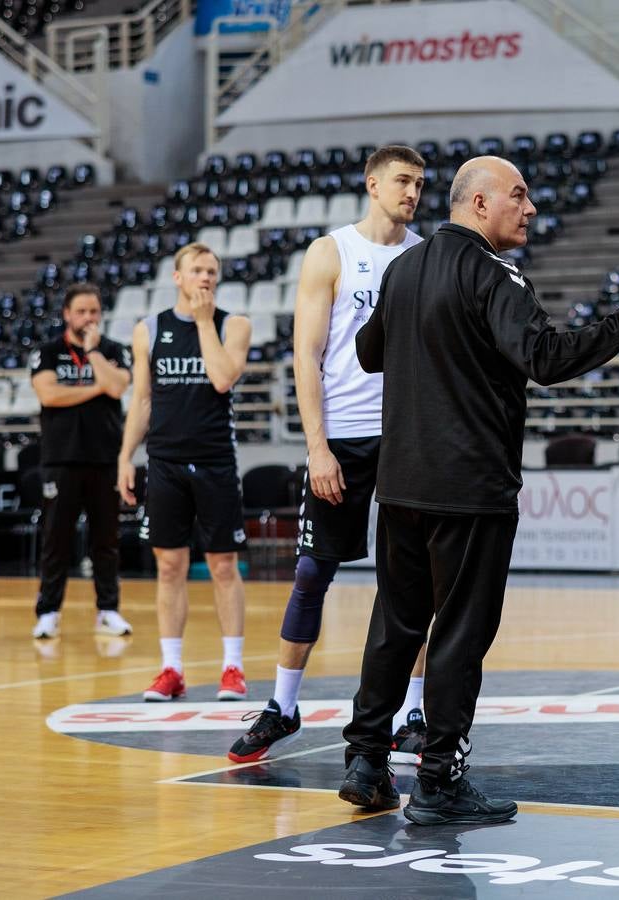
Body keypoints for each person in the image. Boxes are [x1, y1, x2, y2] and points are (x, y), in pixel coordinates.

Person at [337, 155, 619, 825]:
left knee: (394, 628)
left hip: (400, 483)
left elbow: (370, 352)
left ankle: (367, 763)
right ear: (479, 203)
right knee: (459, 636)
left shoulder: (403, 269)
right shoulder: (494, 275)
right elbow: (544, 358)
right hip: (469, 489)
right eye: (518, 195)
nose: (530, 208)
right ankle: (438, 782)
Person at [227, 145, 432, 764]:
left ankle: (412, 711)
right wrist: (317, 447)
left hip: (403, 437)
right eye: (402, 181)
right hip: (340, 438)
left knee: (410, 580)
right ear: (372, 184)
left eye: (421, 184)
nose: (413, 193)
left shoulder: (423, 256)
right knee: (313, 573)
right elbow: (305, 356)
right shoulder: (331, 252)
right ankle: (282, 707)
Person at [117, 242, 253, 702]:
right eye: (196, 270)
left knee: (223, 565)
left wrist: (201, 322)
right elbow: (142, 400)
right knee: (170, 566)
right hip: (165, 463)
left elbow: (221, 378)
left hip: (215, 461)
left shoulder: (234, 325)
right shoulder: (148, 330)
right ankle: (171, 668)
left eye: (212, 271)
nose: (206, 278)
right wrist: (124, 457)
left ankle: (232, 666)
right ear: (177, 277)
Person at [29, 283, 133, 640]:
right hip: (62, 458)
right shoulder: (48, 352)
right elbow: (48, 394)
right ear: (67, 315)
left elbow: (118, 387)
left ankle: (108, 610)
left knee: (106, 540)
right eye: (82, 311)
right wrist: (95, 388)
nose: (89, 318)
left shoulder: (112, 350)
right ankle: (48, 612)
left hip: (105, 457)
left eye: (94, 311)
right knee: (56, 538)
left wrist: (94, 355)